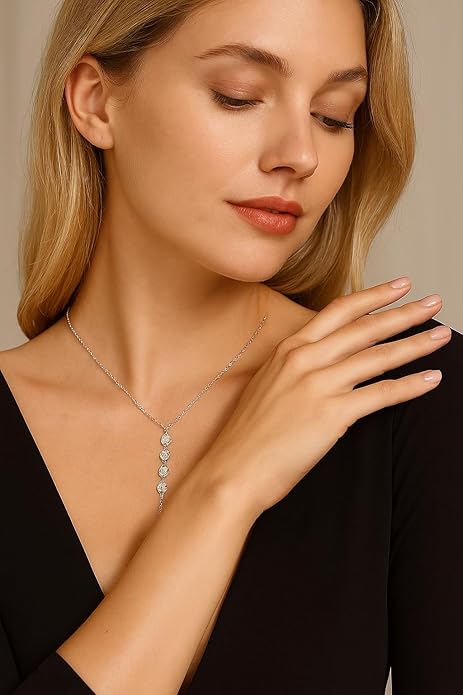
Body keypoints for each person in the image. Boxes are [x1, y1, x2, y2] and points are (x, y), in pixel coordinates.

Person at [1, 0, 461, 693]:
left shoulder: (411, 393)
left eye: (334, 115)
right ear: (95, 101)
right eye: (238, 96)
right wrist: (227, 488)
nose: (300, 155)